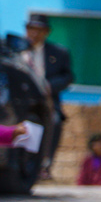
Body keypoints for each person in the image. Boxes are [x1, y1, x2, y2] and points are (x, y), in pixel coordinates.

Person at [23, 14, 73, 177]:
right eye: (31, 29)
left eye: (39, 30)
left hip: (46, 101)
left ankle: (45, 163)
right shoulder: (16, 49)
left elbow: (68, 76)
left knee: (55, 121)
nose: (34, 34)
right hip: (20, 100)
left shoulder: (58, 52)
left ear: (46, 32)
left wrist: (50, 86)